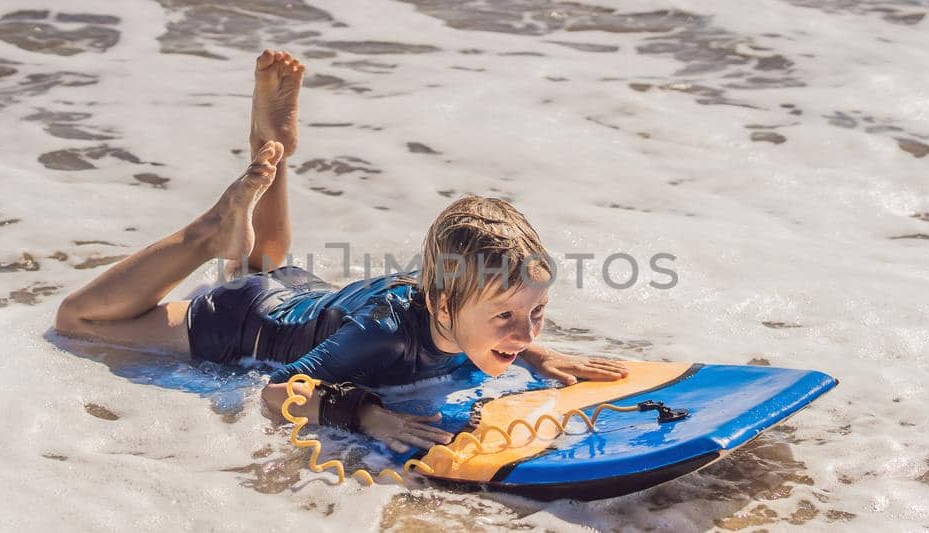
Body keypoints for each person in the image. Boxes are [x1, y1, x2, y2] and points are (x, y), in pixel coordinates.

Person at [55, 50, 629, 453]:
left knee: (264, 260)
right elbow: (278, 394)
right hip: (239, 322)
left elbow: (492, 318)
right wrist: (362, 413)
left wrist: (536, 356)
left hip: (298, 293)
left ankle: (270, 146)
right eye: (506, 318)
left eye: (534, 312)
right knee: (78, 321)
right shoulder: (385, 333)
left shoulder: (454, 296)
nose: (524, 331)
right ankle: (207, 235)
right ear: (443, 309)